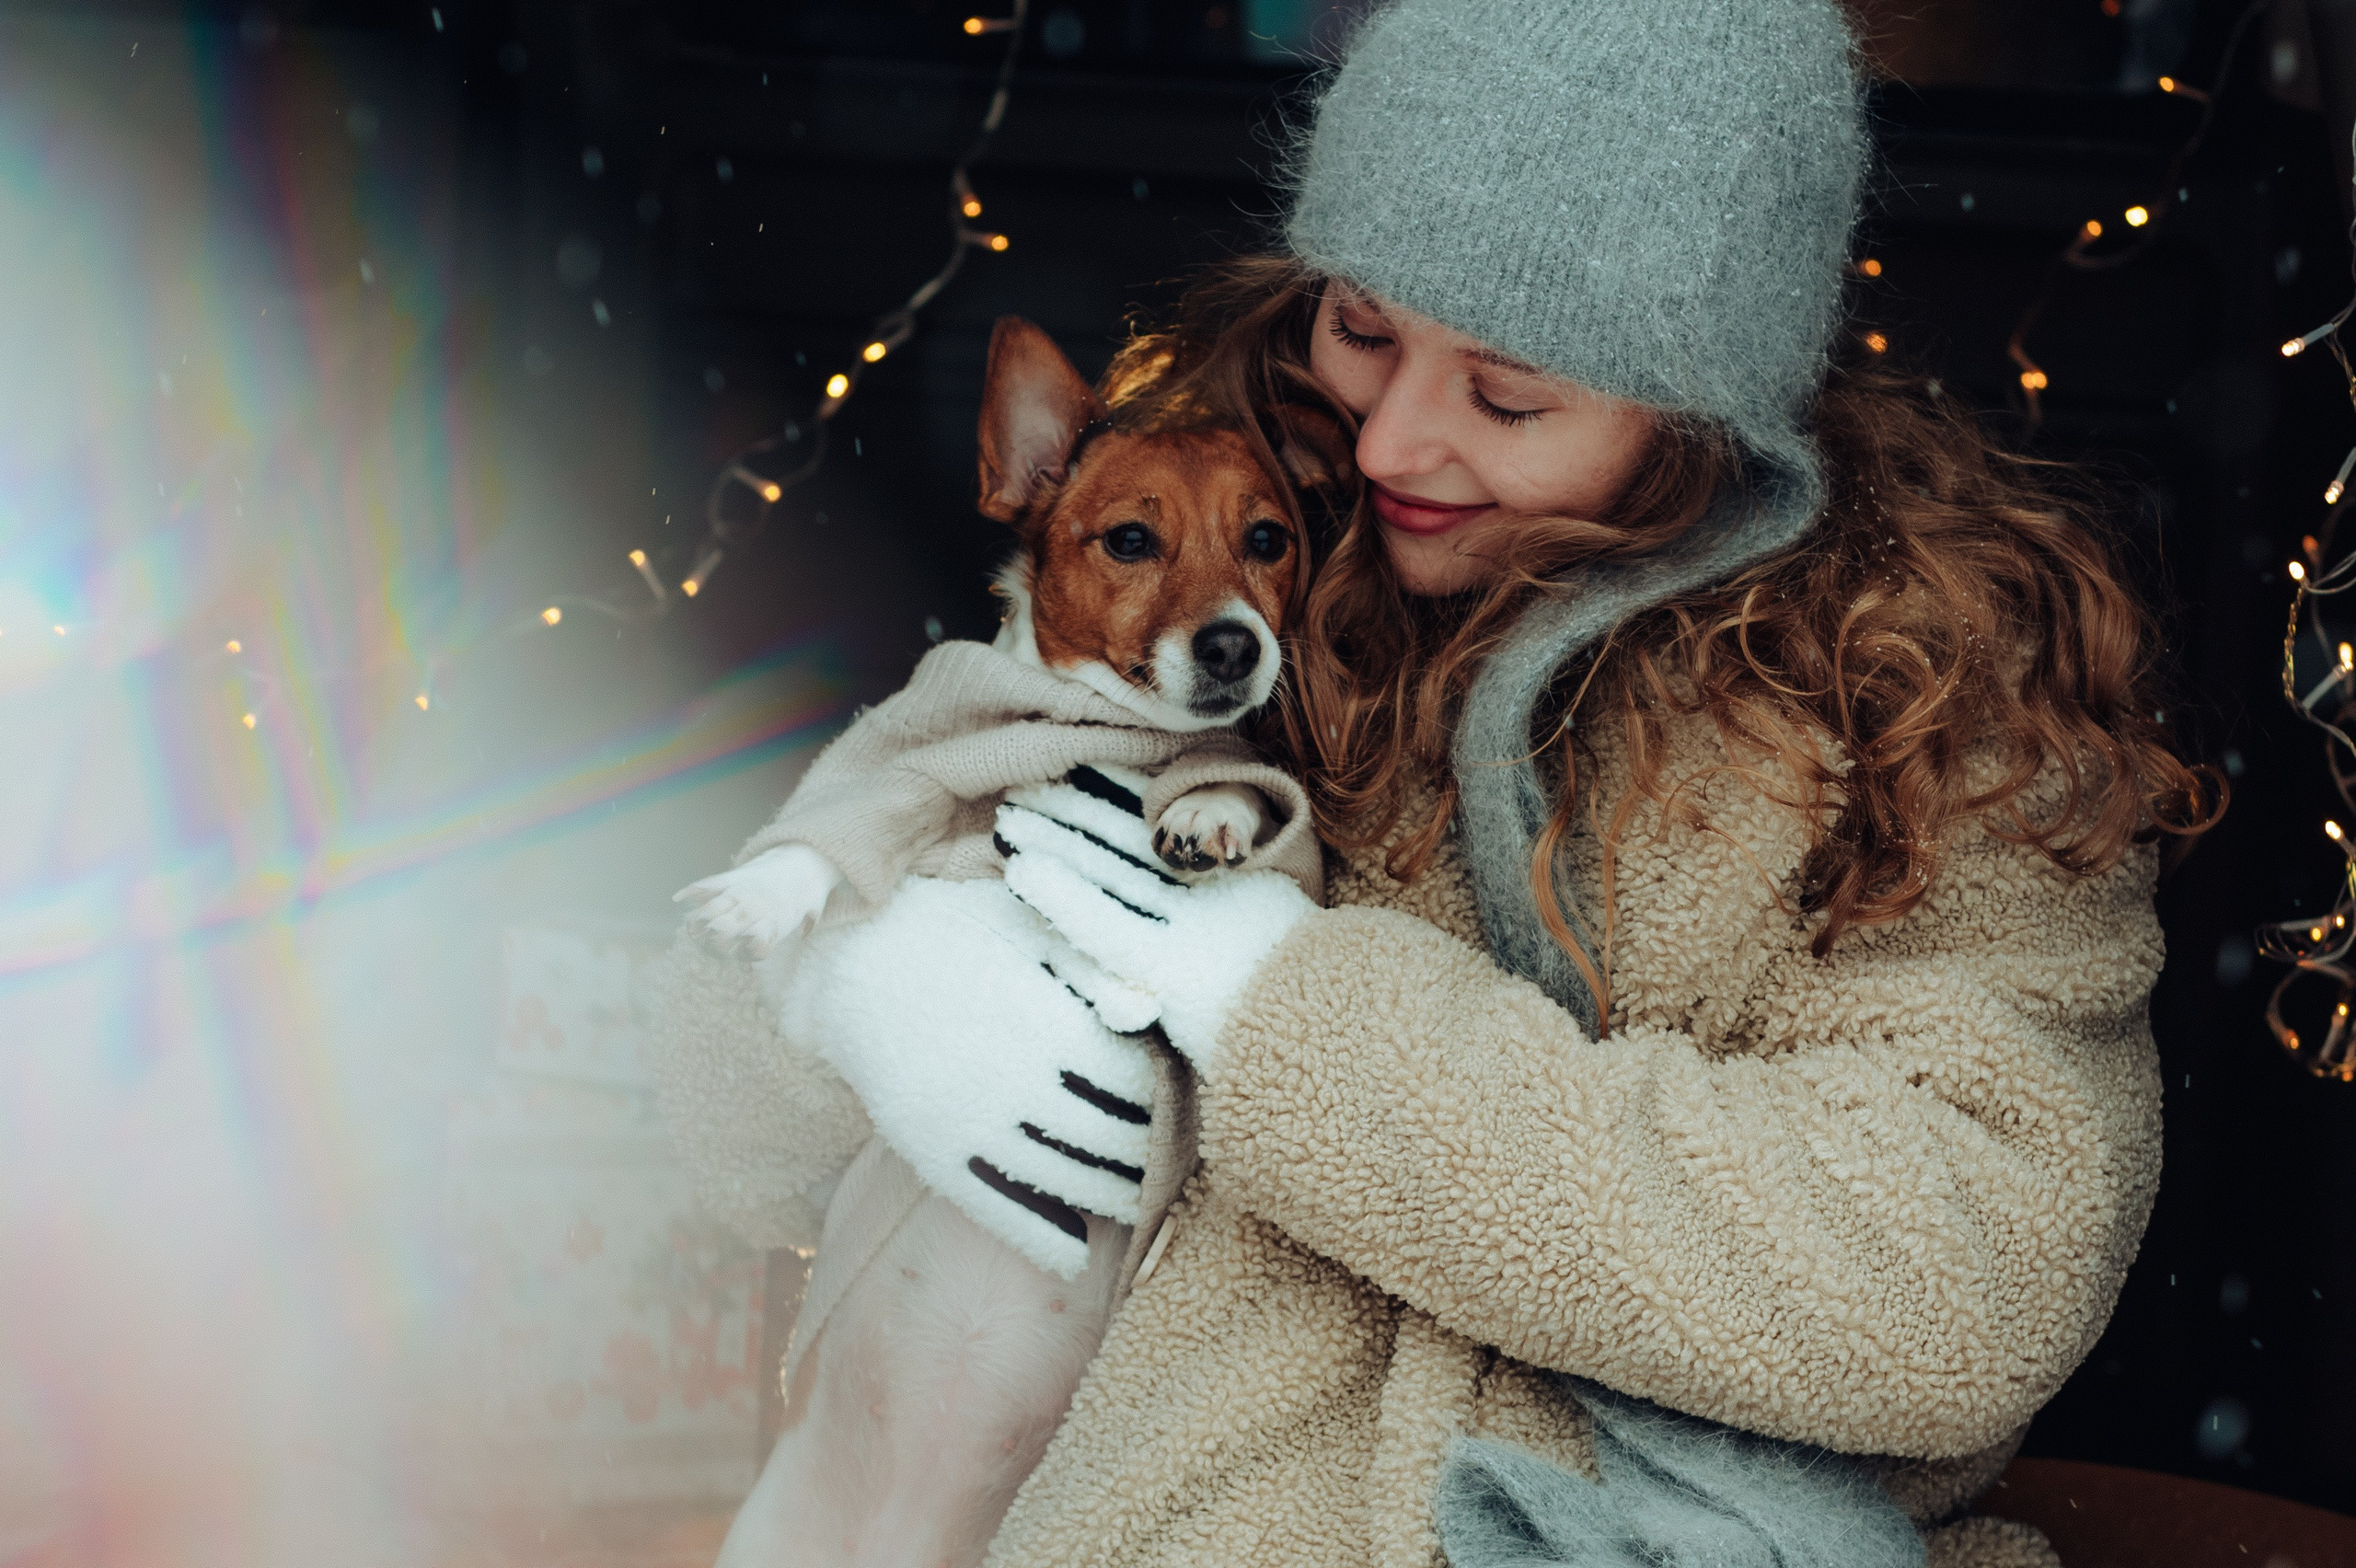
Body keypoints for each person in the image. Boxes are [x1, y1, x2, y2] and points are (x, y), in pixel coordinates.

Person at [653, 2, 2220, 1563]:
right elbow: (723, 1141)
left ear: (1697, 418)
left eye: (1508, 395)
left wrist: (1290, 1020)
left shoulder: (1919, 706)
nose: (1391, 441)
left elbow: (1968, 1280)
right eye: (1361, 327)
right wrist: (859, 992)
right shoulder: (1219, 547)